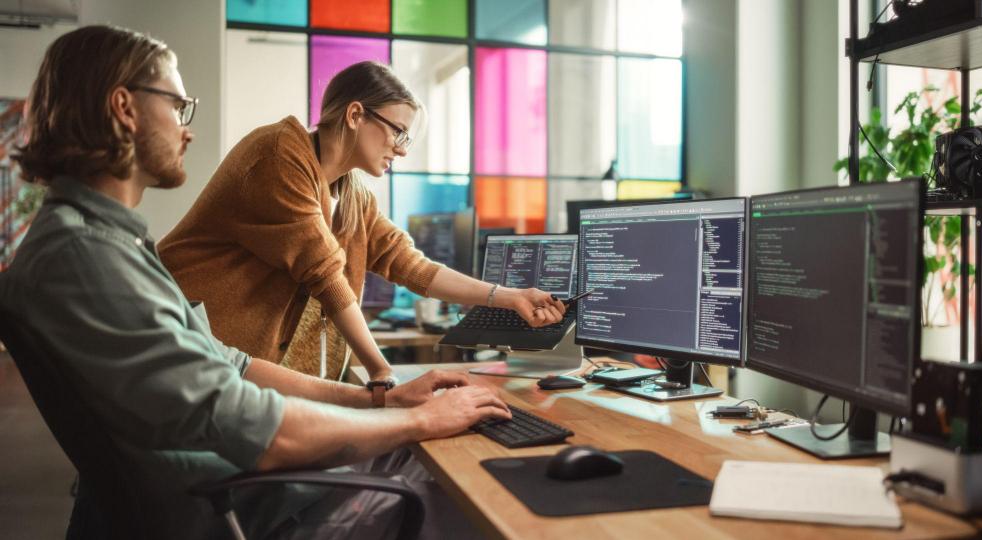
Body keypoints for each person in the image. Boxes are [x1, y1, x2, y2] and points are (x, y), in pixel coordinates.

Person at [4, 24, 510, 539]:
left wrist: (384, 400)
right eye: (178, 107)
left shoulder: (113, 244)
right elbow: (245, 419)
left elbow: (233, 365)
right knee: (463, 497)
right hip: (225, 500)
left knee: (427, 454)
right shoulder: (85, 258)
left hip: (231, 480)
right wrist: (418, 418)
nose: (188, 129)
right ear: (124, 108)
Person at [157, 61, 565, 383]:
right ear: (355, 115)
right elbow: (325, 274)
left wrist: (510, 297)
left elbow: (411, 265)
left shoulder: (352, 195)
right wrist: (382, 372)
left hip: (242, 373)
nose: (401, 151)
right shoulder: (280, 155)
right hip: (185, 351)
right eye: (398, 133)